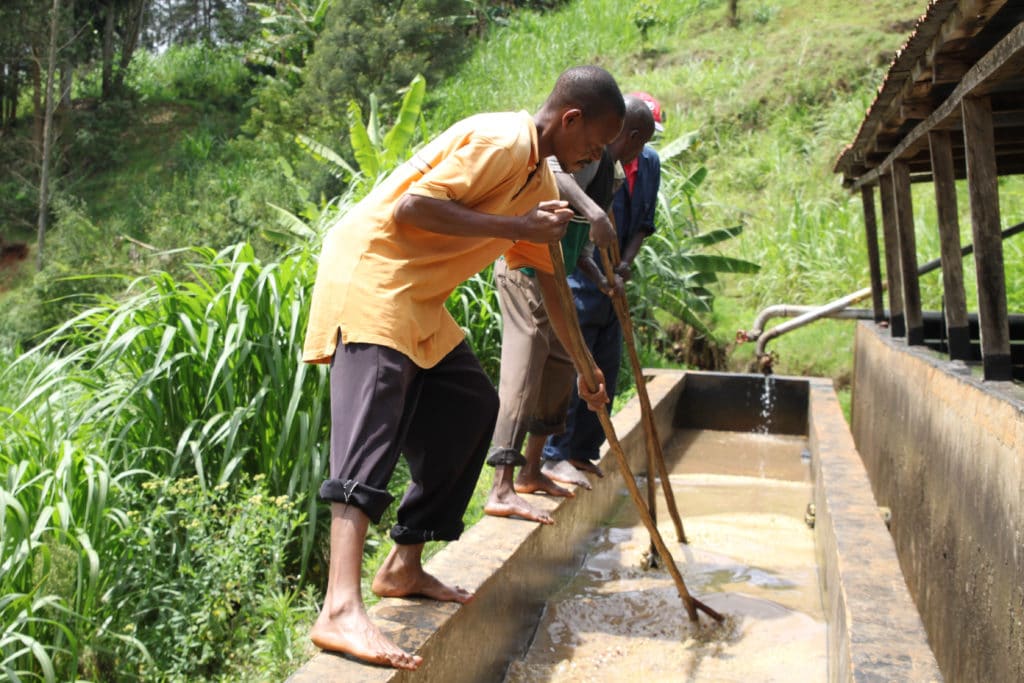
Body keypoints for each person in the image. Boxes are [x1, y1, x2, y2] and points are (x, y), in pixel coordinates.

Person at [300, 65, 625, 670]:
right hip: (374, 276)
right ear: (571, 118)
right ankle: (339, 608)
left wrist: (584, 367)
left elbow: (550, 278)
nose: (593, 157)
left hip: (418, 297)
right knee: (370, 434)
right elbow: (411, 211)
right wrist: (515, 227)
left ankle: (402, 565)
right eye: (596, 144)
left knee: (471, 408)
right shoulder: (502, 140)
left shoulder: (540, 186)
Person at [483, 97, 656, 521]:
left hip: (556, 268)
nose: (598, 152)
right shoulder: (575, 161)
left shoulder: (609, 171)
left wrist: (600, 278)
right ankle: (500, 486)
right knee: (527, 362)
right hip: (523, 264)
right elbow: (555, 177)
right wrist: (595, 211)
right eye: (600, 142)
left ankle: (530, 470)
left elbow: (575, 244)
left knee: (562, 362)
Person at [541, 92, 662, 488]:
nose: (639, 149)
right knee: (576, 366)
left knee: (605, 368)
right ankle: (555, 454)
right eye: (637, 139)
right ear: (624, 133)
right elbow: (574, 218)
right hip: (581, 274)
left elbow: (644, 221)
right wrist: (595, 265)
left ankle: (582, 450)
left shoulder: (647, 165)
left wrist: (623, 267)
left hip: (611, 280)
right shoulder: (589, 159)